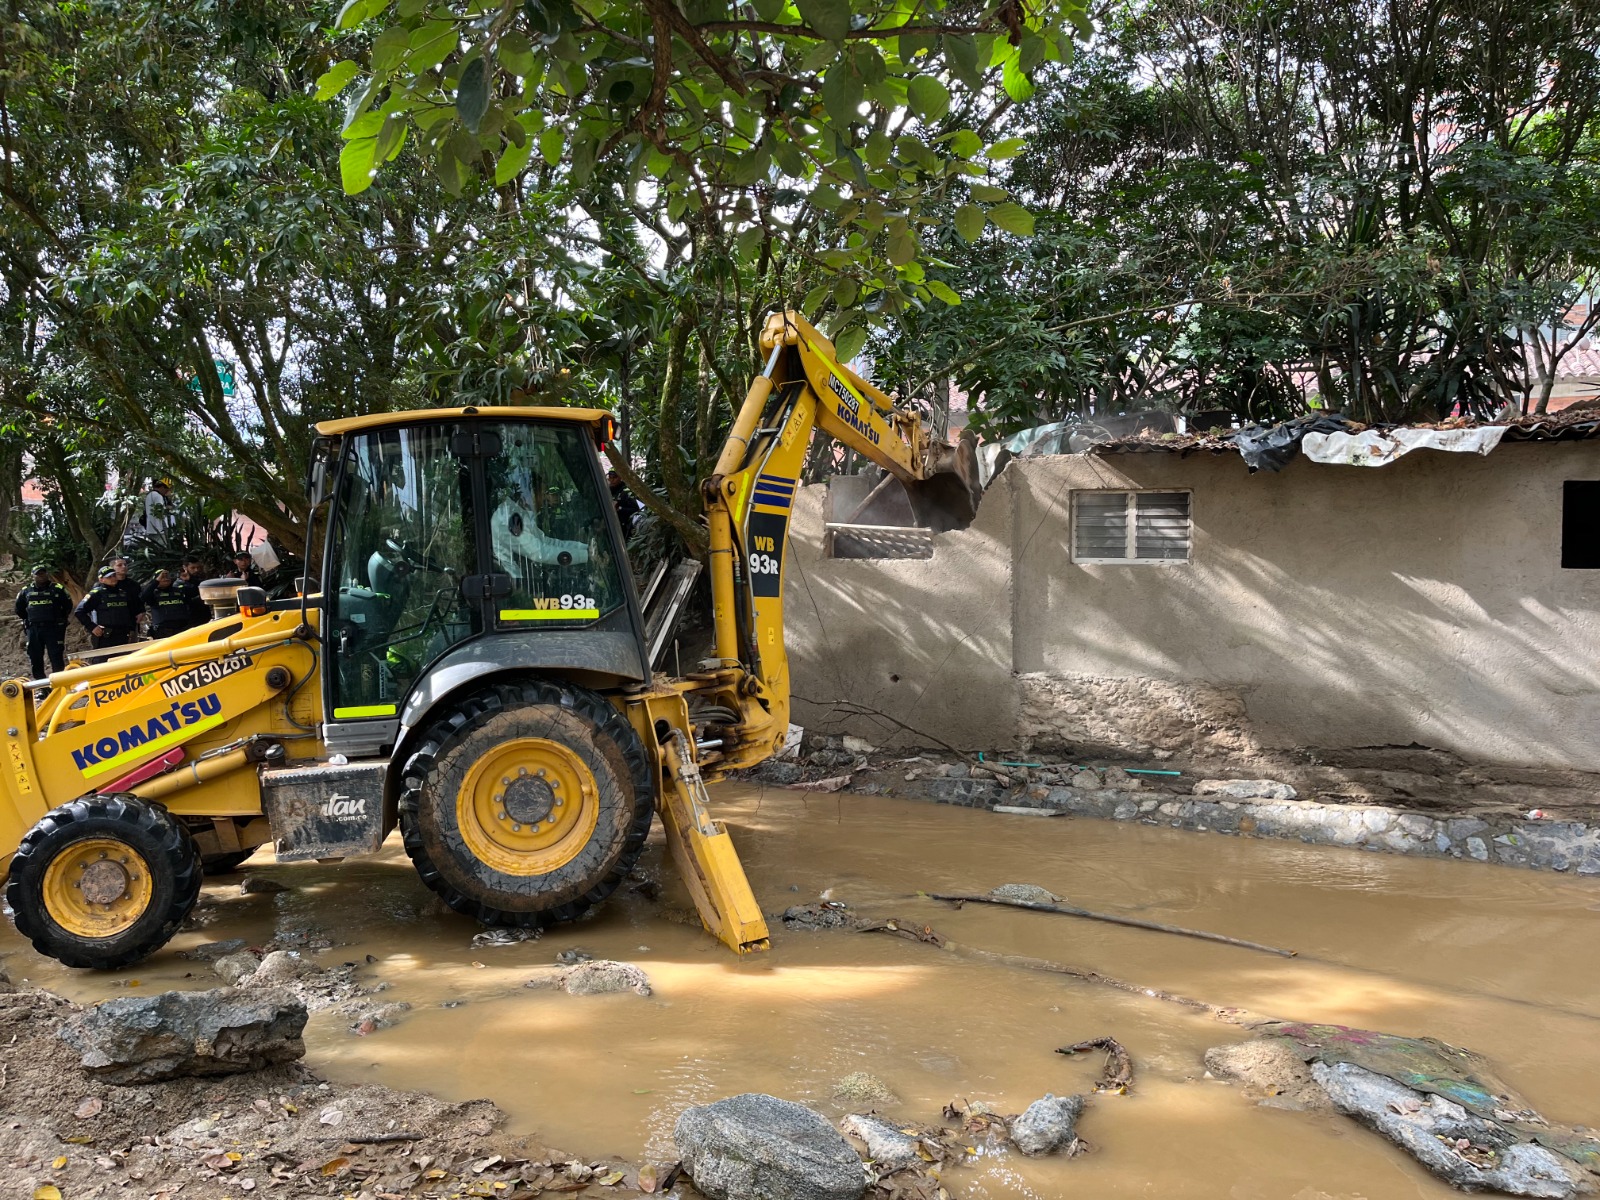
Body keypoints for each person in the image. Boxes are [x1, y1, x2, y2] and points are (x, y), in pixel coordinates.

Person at [14, 565, 72, 678]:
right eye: (38, 574)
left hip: (54, 629)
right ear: (33, 576)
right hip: (34, 629)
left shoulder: (58, 588)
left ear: (47, 574)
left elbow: (67, 606)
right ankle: (41, 687)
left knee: (56, 656)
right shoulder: (25, 591)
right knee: (35, 657)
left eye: (43, 573)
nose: (41, 576)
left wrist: (60, 619)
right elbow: (19, 609)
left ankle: (60, 685)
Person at [74, 563, 143, 649]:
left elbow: (133, 611)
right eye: (109, 577)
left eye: (114, 575)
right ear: (101, 579)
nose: (113, 578)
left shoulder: (123, 593)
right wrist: (92, 627)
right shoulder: (97, 593)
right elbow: (79, 611)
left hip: (124, 635)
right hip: (106, 635)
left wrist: (132, 628)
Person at [141, 568, 193, 639]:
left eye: (167, 576)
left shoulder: (179, 590)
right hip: (163, 630)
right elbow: (143, 597)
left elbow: (197, 591)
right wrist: (156, 581)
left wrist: (190, 579)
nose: (165, 578)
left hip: (183, 628)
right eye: (162, 577)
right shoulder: (153, 593)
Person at [608, 470, 641, 537]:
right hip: (609, 523)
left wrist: (619, 508)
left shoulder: (626, 491)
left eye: (614, 478)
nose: (612, 480)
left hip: (623, 525)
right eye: (610, 478)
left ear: (620, 477)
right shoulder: (609, 490)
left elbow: (636, 509)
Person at [179, 555, 209, 627]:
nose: (196, 570)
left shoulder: (198, 580)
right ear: (185, 568)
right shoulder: (179, 582)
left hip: (204, 616)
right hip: (190, 618)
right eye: (193, 568)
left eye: (198, 567)